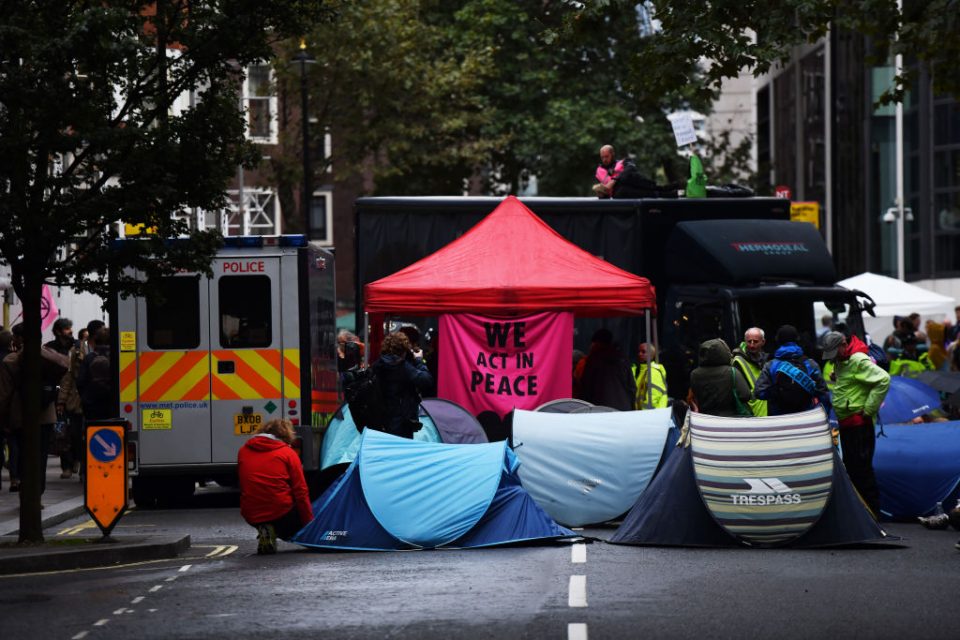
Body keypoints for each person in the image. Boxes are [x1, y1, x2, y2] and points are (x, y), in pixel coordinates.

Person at [822, 330, 890, 516]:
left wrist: (869, 409)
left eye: (835, 353)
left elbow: (883, 379)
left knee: (861, 470)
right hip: (848, 424)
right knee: (853, 468)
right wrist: (838, 378)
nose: (832, 358)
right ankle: (862, 513)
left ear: (844, 345)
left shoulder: (858, 360)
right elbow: (852, 382)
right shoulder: (843, 361)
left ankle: (872, 513)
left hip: (859, 424)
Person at [0, 323, 69, 496]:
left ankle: (28, 492)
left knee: (24, 456)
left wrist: (4, 417)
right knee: (41, 457)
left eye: (15, 337)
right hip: (46, 415)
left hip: (21, 415)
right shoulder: (48, 356)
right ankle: (38, 492)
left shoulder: (11, 360)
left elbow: (5, 393)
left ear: (21, 339)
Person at [237, 418, 314, 555]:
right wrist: (310, 525)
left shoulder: (243, 451)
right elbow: (300, 491)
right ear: (286, 435)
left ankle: (266, 530)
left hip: (251, 514)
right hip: (281, 513)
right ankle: (273, 529)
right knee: (303, 507)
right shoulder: (288, 453)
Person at [754, 324, 830, 416]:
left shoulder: (771, 365)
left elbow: (759, 392)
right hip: (806, 418)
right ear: (797, 340)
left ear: (778, 341)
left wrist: (778, 393)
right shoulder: (810, 364)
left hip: (779, 419)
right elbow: (823, 395)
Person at [372, 331, 433, 438]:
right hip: (402, 422)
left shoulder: (378, 365)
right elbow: (426, 380)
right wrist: (419, 360)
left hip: (381, 419)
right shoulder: (403, 367)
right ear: (404, 348)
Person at [46, 317, 82, 479]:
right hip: (56, 393)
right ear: (58, 331)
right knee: (61, 432)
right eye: (67, 328)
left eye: (70, 328)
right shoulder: (50, 348)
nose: (70, 331)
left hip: (73, 396)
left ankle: (76, 459)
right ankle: (66, 465)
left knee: (75, 431)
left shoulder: (77, 346)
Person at [688, 338, 751, 417]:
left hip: (705, 419)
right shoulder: (732, 372)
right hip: (731, 419)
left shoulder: (694, 374)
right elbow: (745, 395)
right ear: (724, 352)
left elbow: (693, 397)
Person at [576, 328, 636, 411]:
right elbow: (631, 386)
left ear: (596, 342)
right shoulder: (622, 358)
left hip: (600, 407)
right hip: (623, 407)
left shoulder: (593, 360)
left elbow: (586, 386)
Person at [731, 327, 768, 416]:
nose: (751, 345)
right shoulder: (738, 361)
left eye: (755, 342)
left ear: (763, 342)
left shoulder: (765, 359)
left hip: (764, 409)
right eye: (749, 341)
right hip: (751, 412)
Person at [631, 342, 668, 409]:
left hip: (651, 415)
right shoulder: (640, 370)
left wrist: (646, 414)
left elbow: (653, 396)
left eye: (643, 352)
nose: (640, 354)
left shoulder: (653, 371)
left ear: (651, 355)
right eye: (639, 351)